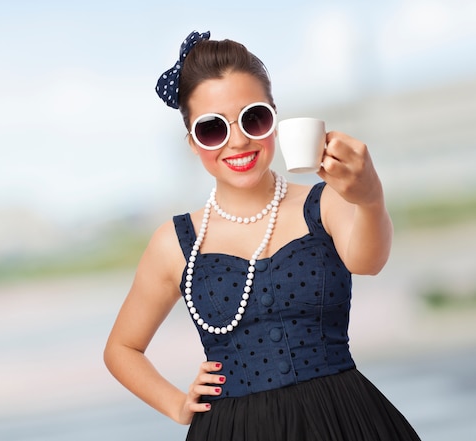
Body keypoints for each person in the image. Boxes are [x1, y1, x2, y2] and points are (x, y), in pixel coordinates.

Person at [104, 30, 421, 440]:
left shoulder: (326, 202)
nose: (237, 140)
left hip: (343, 421)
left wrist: (371, 198)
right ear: (192, 142)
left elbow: (369, 261)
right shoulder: (176, 242)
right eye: (212, 129)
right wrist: (177, 403)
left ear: (274, 118)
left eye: (253, 118)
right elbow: (121, 349)